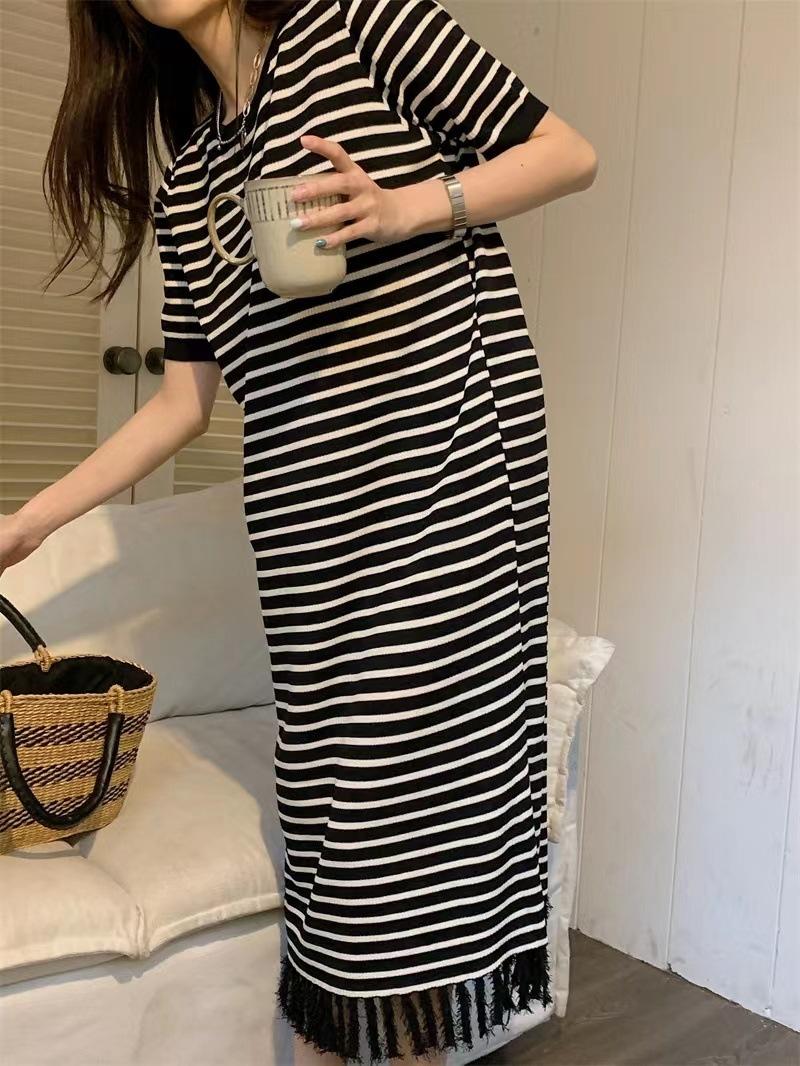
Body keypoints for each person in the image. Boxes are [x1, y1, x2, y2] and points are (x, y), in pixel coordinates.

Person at [0, 1, 597, 1062]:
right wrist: (28, 522)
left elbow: (565, 152)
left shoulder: (361, 23)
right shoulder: (193, 180)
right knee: (323, 817)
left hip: (444, 481)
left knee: (392, 827)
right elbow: (182, 403)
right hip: (305, 531)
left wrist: (407, 208)